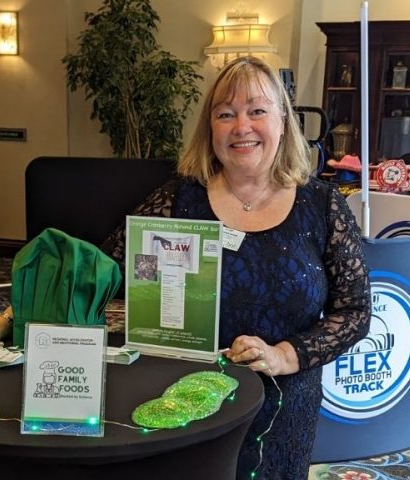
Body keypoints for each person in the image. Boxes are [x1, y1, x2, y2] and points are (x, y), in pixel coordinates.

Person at [100, 55, 371, 479]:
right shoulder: (176, 202)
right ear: (211, 129)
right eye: (226, 114)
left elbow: (354, 313)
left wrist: (284, 355)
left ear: (283, 121)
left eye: (257, 111)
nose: (242, 127)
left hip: (283, 406)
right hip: (184, 401)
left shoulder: (322, 206)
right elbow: (110, 272)